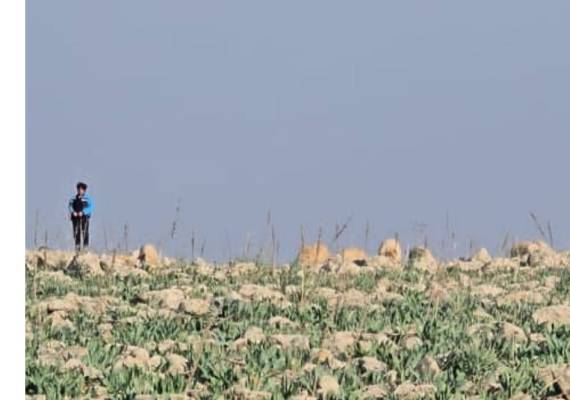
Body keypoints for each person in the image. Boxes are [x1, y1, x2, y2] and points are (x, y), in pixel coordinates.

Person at [68, 182, 94, 251]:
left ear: (84, 190)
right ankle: (77, 247)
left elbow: (90, 208)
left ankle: (85, 248)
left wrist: (83, 212)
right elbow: (70, 206)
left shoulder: (87, 199)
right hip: (75, 218)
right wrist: (73, 212)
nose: (80, 191)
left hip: (84, 218)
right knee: (76, 232)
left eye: (81, 189)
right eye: (78, 189)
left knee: (85, 232)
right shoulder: (73, 199)